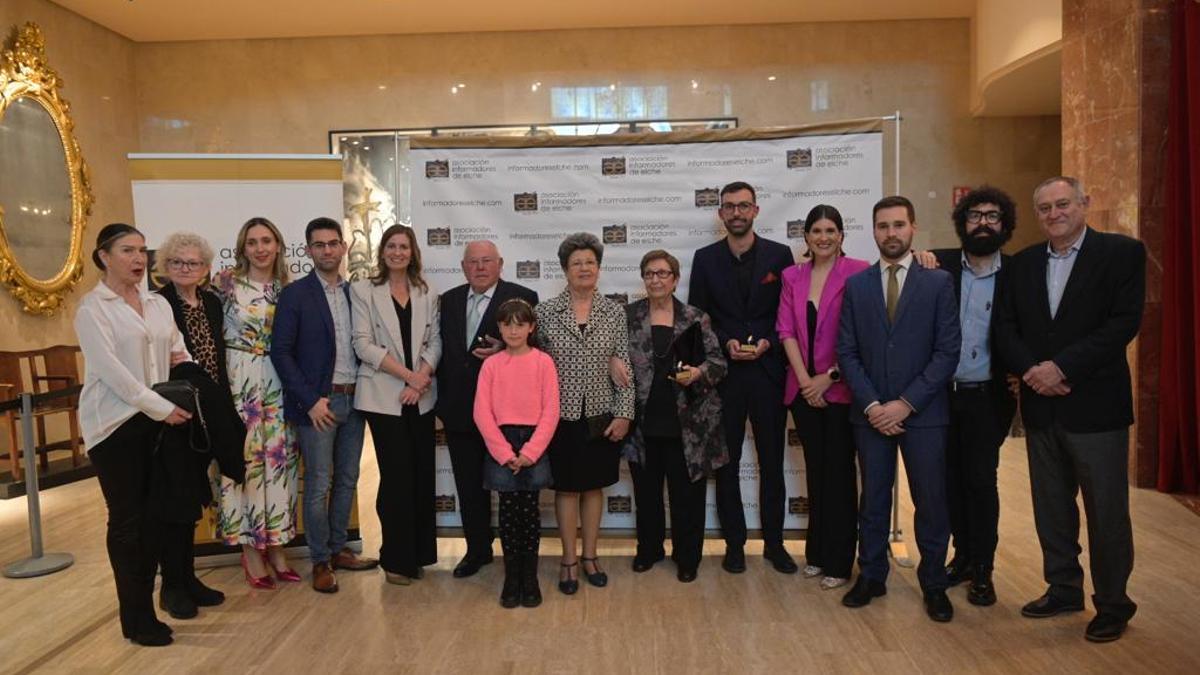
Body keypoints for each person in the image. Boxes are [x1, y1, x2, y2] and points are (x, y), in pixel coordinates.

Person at [994, 176, 1145, 643]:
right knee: (1051, 508)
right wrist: (1033, 371)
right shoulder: (1022, 264)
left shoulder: (1121, 253)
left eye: (1063, 204)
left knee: (1107, 513)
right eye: (1044, 208)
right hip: (1042, 409)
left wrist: (1061, 368)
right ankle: (1062, 588)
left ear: (1085, 203)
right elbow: (1005, 329)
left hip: (1096, 408)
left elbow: (1123, 323)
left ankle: (1113, 604)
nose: (1054, 214)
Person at [836, 195, 960, 622]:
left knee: (931, 500)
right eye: (883, 226)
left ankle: (934, 583)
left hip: (923, 414)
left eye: (898, 225)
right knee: (872, 499)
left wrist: (904, 405)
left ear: (913, 228)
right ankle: (871, 575)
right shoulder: (856, 286)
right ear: (873, 231)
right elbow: (847, 352)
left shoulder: (938, 282)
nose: (891, 233)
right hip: (870, 415)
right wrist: (873, 405)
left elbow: (947, 352)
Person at [75, 223, 192, 646]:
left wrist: (186, 380)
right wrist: (163, 408)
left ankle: (153, 603)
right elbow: (115, 376)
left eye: (143, 250)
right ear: (104, 256)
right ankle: (136, 617)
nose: (139, 259)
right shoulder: (93, 309)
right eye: (128, 250)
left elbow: (178, 350)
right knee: (128, 523)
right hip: (115, 426)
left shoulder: (157, 303)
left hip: (158, 420)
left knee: (156, 517)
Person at [688, 181, 797, 574]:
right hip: (725, 376)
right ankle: (734, 545)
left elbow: (788, 312)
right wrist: (725, 342)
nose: (736, 212)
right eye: (729, 207)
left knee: (772, 463)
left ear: (755, 210)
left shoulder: (780, 255)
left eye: (743, 206)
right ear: (721, 214)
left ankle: (775, 544)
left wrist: (768, 341)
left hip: (768, 373)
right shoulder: (705, 259)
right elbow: (699, 319)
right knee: (727, 465)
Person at [272, 217, 378, 594]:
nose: (328, 250)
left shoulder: (359, 294)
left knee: (348, 479)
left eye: (334, 243)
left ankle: (338, 549)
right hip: (319, 403)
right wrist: (310, 400)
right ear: (308, 250)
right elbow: (281, 353)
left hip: (356, 398)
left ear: (344, 247)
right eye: (319, 245)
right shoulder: (295, 295)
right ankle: (319, 559)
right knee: (318, 483)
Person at [931, 187, 1019, 607]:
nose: (983, 223)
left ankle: (984, 569)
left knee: (981, 482)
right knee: (948, 480)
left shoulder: (1019, 274)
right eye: (975, 215)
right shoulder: (939, 265)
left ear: (1005, 225)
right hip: (940, 397)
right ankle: (962, 557)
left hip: (988, 397)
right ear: (961, 222)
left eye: (993, 216)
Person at [776, 205, 871, 590]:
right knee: (816, 473)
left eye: (831, 229)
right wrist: (805, 381)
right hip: (803, 392)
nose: (823, 237)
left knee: (841, 475)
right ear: (807, 237)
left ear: (842, 235)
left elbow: (862, 334)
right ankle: (815, 552)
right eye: (816, 230)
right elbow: (786, 331)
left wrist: (827, 378)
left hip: (843, 390)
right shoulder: (791, 275)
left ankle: (839, 560)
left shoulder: (859, 272)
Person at [535, 232, 635, 594]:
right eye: (576, 263)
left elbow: (624, 365)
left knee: (594, 488)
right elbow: (531, 362)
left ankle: (591, 556)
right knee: (566, 490)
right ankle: (568, 560)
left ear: (599, 268)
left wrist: (623, 414)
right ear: (565, 269)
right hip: (558, 417)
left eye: (589, 262)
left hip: (600, 415)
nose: (583, 268)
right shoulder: (543, 313)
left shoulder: (613, 312)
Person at [436, 240, 538, 578]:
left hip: (510, 416)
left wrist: (504, 350)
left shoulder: (522, 297)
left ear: (500, 264)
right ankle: (477, 551)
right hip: (459, 410)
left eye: (487, 261)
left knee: (514, 489)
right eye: (473, 262)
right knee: (468, 486)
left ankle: (519, 557)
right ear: (464, 267)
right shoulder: (447, 300)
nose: (480, 267)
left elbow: (535, 352)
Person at [624, 250, 728, 583]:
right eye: (649, 274)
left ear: (675, 279)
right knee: (647, 494)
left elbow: (719, 363)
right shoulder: (626, 316)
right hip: (642, 424)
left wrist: (698, 372)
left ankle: (687, 558)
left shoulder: (696, 318)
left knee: (687, 498)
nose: (655, 279)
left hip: (688, 425)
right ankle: (649, 550)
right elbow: (612, 356)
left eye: (662, 273)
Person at [152, 232, 239, 619]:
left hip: (209, 414)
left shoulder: (211, 303)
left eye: (193, 263)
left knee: (191, 501)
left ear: (206, 268)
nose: (185, 269)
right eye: (177, 262)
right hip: (174, 415)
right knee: (174, 502)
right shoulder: (157, 305)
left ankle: (188, 578)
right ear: (165, 267)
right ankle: (171, 586)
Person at [211, 217, 301, 589]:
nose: (260, 248)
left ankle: (278, 548)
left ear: (278, 245)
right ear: (242, 248)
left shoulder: (289, 289)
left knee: (281, 465)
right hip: (239, 382)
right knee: (244, 464)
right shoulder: (225, 284)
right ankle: (249, 551)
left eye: (267, 240)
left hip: (280, 382)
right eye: (252, 242)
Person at [351, 225, 441, 585]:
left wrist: (420, 378)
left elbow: (435, 340)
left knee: (420, 475)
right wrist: (409, 376)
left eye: (404, 246)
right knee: (396, 478)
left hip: (420, 397)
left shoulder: (427, 290)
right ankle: (395, 560)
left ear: (413, 251)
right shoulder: (363, 290)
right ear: (382, 251)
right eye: (391, 246)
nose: (398, 252)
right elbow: (362, 344)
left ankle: (418, 554)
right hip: (382, 396)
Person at [473, 298, 560, 608]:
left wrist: (532, 452)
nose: (513, 329)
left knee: (530, 514)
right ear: (499, 327)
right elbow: (481, 413)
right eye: (507, 324)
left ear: (531, 327)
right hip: (503, 443)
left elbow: (551, 411)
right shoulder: (491, 365)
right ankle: (512, 577)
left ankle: (530, 577)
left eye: (520, 324)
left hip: (533, 442)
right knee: (509, 515)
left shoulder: (543, 362)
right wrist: (503, 452)